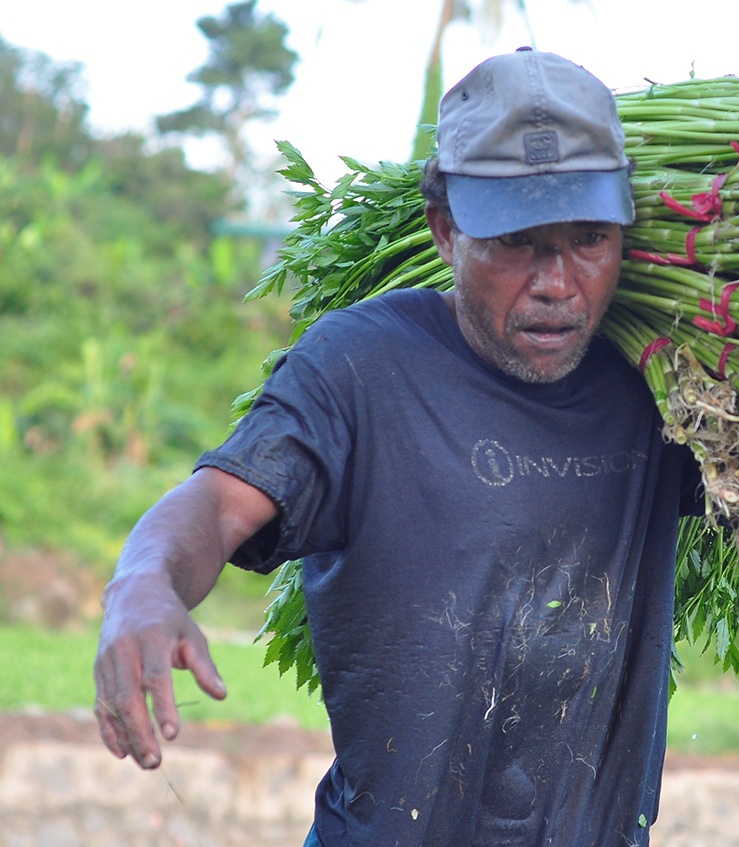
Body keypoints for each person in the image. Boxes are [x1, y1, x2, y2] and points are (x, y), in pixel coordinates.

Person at [94, 47, 701, 847]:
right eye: (517, 240)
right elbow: (215, 504)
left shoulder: (666, 381)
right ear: (446, 231)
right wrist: (141, 584)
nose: (557, 282)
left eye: (588, 238)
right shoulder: (362, 369)